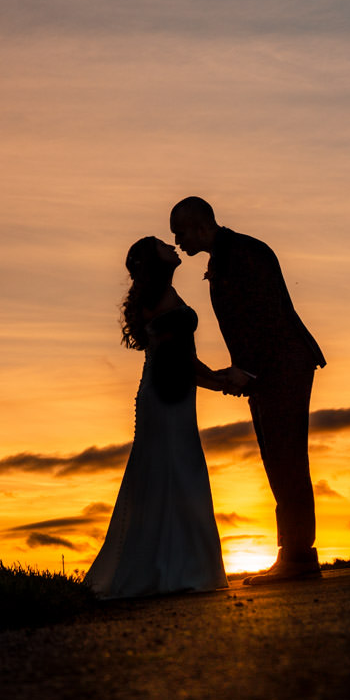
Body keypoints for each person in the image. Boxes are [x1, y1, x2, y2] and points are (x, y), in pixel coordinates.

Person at [171, 196, 326, 584]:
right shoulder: (226, 255)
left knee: (287, 456)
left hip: (282, 366)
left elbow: (266, 315)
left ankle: (299, 558)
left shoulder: (243, 253)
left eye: (180, 231)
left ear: (200, 224)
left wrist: (250, 371)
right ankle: (292, 554)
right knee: (277, 458)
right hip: (269, 370)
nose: (177, 241)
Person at [84, 236, 229, 598]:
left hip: (171, 393)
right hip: (166, 396)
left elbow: (181, 359)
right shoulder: (160, 298)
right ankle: (178, 570)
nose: (173, 246)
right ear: (154, 259)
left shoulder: (163, 294)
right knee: (179, 474)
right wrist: (223, 380)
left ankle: (177, 569)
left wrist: (220, 380)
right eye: (165, 244)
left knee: (176, 476)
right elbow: (178, 360)